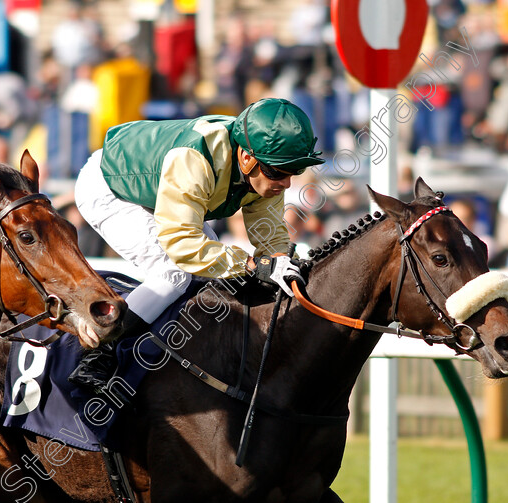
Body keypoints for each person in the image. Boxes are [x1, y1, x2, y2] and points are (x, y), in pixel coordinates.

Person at [69, 97, 323, 392]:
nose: (287, 183)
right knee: (174, 272)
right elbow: (182, 245)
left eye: (294, 171)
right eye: (279, 172)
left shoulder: (264, 165)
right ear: (246, 158)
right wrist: (252, 264)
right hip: (111, 185)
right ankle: (97, 353)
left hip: (163, 186)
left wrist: (279, 261)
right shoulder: (196, 160)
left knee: (214, 269)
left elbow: (270, 237)